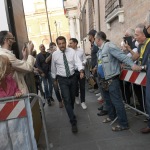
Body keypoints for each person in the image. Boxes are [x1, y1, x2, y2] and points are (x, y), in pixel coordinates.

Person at [95, 31, 141, 131]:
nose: (95, 41)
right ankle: (112, 116)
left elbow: (122, 56)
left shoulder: (109, 46)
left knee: (117, 102)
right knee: (108, 100)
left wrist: (132, 65)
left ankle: (123, 124)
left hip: (111, 79)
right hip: (103, 79)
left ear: (98, 39)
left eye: (95, 39)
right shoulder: (100, 50)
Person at [51, 36, 84, 133]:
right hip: (62, 79)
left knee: (72, 97)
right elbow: (53, 68)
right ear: (57, 45)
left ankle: (71, 110)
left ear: (65, 43)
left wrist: (81, 71)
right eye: (59, 44)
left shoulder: (72, 52)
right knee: (67, 99)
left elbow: (78, 62)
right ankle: (73, 121)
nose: (61, 45)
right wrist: (54, 79)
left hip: (73, 77)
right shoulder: (55, 55)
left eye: (63, 43)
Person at [132, 23, 150, 133]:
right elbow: (136, 56)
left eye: (136, 35)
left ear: (143, 34)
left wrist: (140, 67)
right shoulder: (140, 45)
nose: (135, 37)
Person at [69, 38, 87, 109]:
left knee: (82, 86)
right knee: (75, 86)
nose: (69, 44)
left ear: (75, 43)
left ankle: (83, 102)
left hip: (81, 70)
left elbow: (84, 59)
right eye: (69, 43)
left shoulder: (81, 50)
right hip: (73, 71)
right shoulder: (69, 52)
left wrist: (84, 63)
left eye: (71, 43)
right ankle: (76, 96)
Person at [88, 29, 99, 94]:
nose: (88, 37)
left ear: (92, 36)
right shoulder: (92, 44)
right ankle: (96, 88)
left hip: (96, 64)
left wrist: (96, 65)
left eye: (89, 35)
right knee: (94, 76)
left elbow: (98, 54)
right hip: (93, 63)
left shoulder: (96, 43)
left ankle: (99, 91)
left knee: (97, 77)